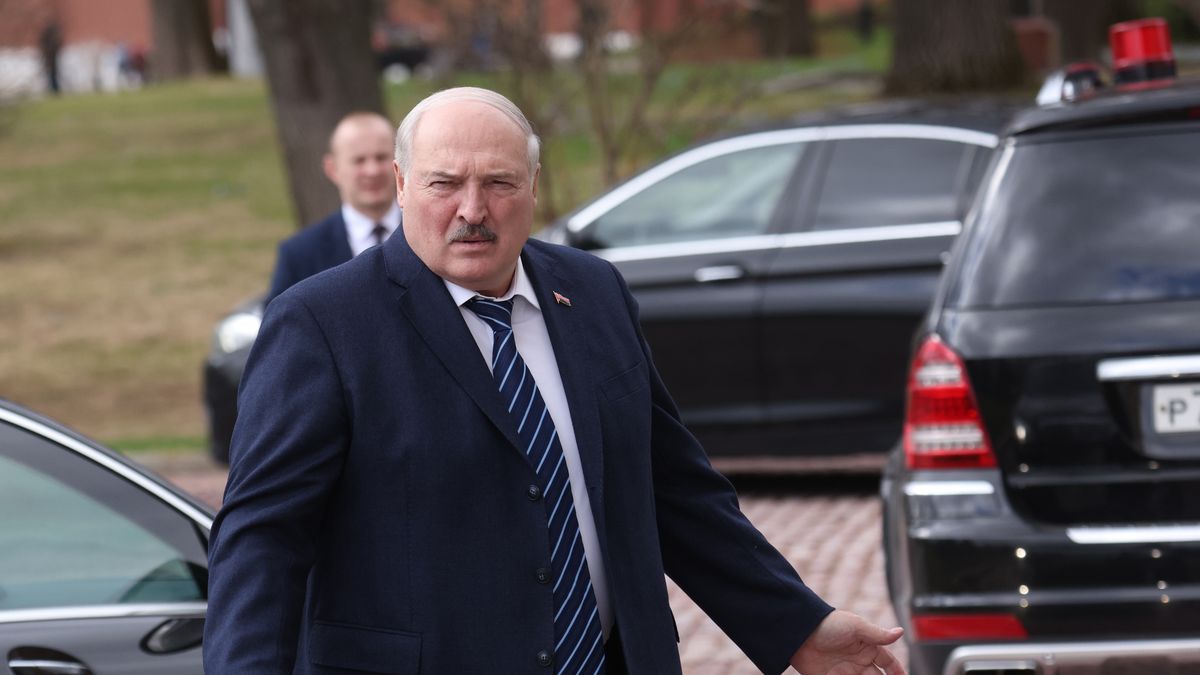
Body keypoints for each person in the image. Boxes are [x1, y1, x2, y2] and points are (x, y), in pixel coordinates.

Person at [204, 87, 905, 674]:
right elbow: (263, 536)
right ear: (401, 184)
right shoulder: (323, 324)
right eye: (446, 183)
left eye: (499, 183)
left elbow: (674, 490)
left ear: (533, 186)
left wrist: (797, 625)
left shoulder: (594, 293)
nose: (472, 210)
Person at [265, 111, 401, 304]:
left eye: (381, 157)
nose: (372, 171)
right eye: (359, 160)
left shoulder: (428, 233)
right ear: (332, 169)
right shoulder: (300, 253)